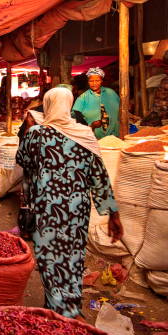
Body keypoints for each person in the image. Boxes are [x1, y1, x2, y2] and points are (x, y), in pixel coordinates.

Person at [16, 87, 123, 321]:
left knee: (49, 258)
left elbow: (21, 159)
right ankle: (70, 306)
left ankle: (59, 312)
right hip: (77, 210)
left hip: (47, 208)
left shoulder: (36, 134)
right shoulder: (84, 134)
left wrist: (27, 128)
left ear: (47, 106)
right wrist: (112, 214)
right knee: (73, 257)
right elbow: (99, 177)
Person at [72, 67, 120, 139]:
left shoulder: (111, 93)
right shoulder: (83, 98)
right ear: (88, 82)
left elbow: (121, 109)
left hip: (115, 136)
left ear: (101, 81)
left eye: (97, 80)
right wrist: (92, 126)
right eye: (91, 81)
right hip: (94, 138)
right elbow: (75, 116)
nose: (94, 83)